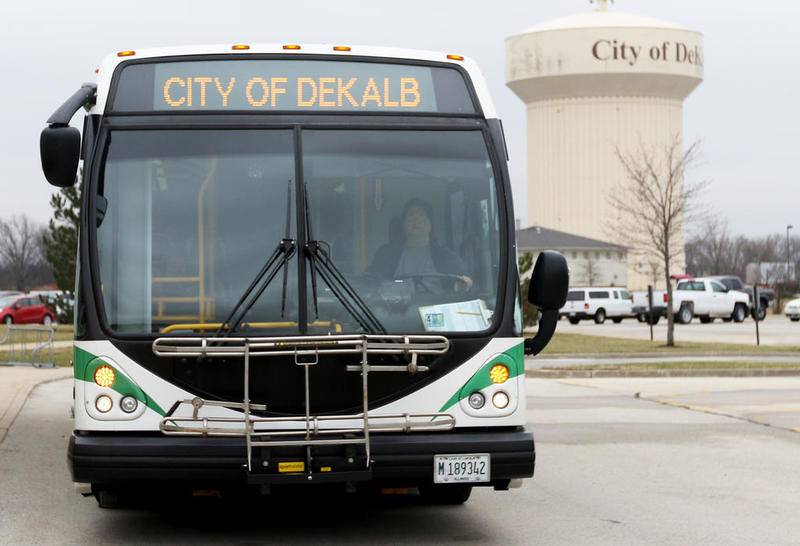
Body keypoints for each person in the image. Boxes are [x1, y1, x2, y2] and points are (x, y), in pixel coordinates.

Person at [369, 199, 473, 290]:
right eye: (411, 216)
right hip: (396, 309)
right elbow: (372, 281)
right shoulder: (386, 254)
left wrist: (464, 283)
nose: (416, 221)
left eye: (421, 215)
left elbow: (465, 281)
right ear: (403, 224)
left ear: (430, 224)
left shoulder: (446, 256)